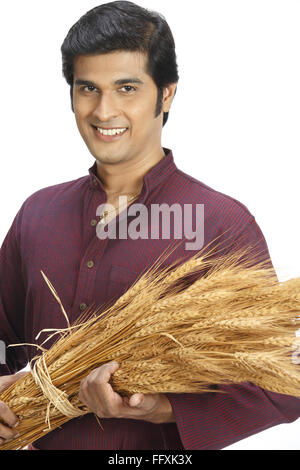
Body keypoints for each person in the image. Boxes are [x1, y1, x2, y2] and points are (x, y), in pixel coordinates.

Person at [0, 0, 299, 450]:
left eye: (126, 87)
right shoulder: (38, 212)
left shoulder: (221, 223)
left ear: (166, 94)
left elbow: (282, 380)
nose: (104, 111)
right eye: (88, 88)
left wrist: (162, 406)